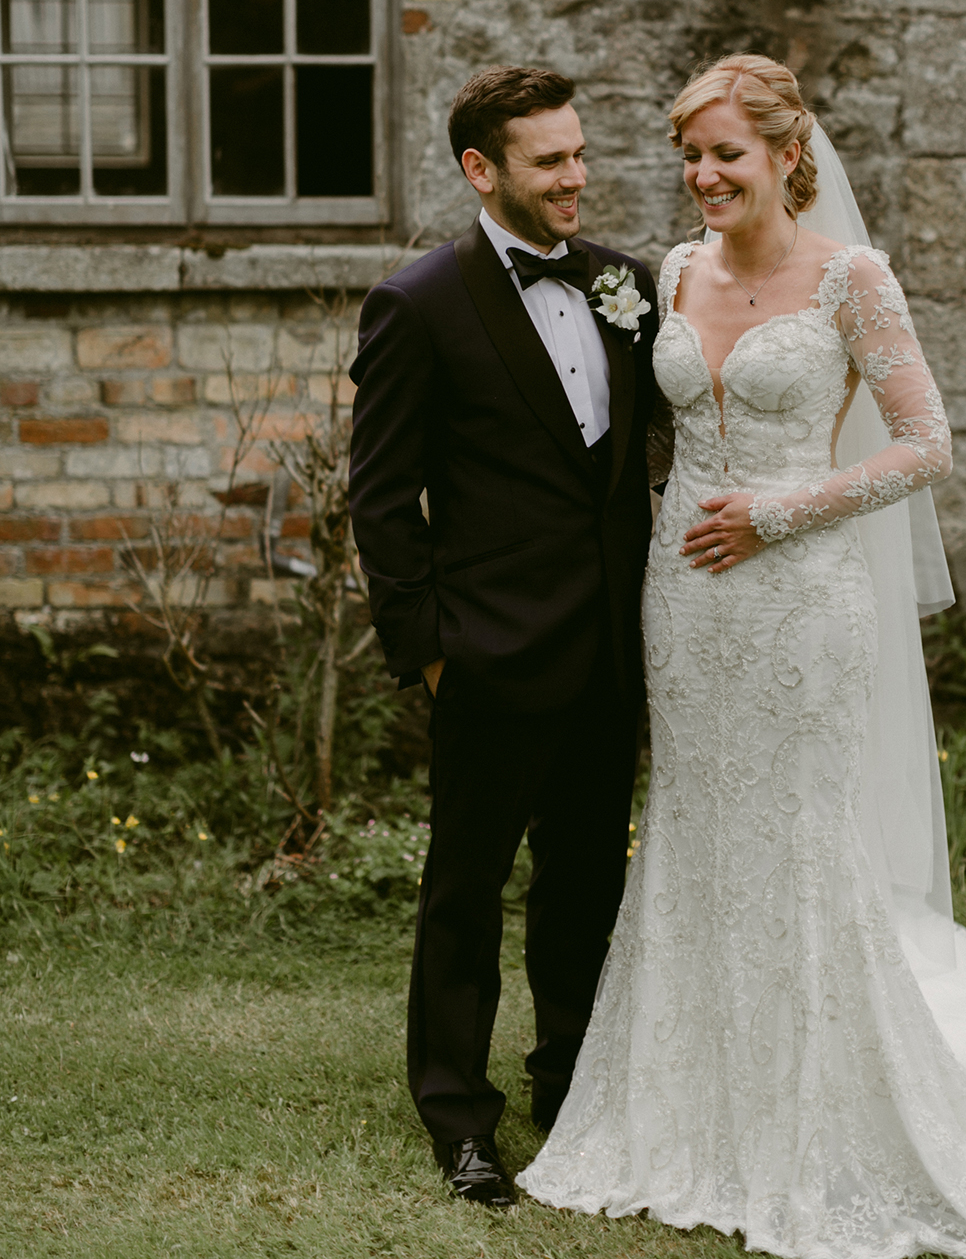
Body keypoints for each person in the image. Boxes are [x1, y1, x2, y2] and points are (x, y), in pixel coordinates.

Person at [519, 53, 966, 1258]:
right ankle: (685, 1101)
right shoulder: (671, 272)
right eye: (692, 154)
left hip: (800, 592)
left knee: (793, 828)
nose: (704, 175)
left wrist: (782, 512)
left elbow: (926, 446)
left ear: (791, 156)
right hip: (682, 596)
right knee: (693, 819)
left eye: (728, 152)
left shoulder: (852, 280)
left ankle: (819, 1109)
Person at [348, 65, 660, 1210]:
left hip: (612, 654)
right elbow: (381, 502)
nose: (577, 176)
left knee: (585, 879)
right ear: (484, 171)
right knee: (466, 888)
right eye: (551, 161)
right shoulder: (418, 304)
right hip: (487, 653)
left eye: (580, 153)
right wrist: (429, 649)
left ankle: (568, 1076)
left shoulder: (630, 285)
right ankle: (458, 1111)